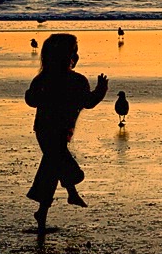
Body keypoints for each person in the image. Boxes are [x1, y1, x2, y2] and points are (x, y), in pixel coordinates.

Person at [25, 33, 108, 235]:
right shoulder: (76, 81)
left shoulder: (44, 78)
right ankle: (71, 191)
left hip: (45, 131)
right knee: (64, 165)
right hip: (55, 131)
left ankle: (42, 212)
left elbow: (31, 100)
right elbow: (88, 102)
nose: (76, 56)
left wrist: (33, 91)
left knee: (52, 168)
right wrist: (101, 90)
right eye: (74, 52)